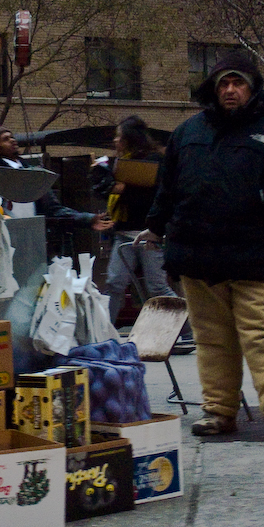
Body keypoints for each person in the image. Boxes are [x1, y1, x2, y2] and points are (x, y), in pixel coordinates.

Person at [135, 53, 264, 439]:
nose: (230, 90)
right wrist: (154, 227)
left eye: (237, 83)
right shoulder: (188, 133)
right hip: (198, 258)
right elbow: (166, 188)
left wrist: (262, 195)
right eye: (223, 83)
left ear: (251, 89)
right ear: (213, 89)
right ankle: (219, 412)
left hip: (255, 258)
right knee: (212, 342)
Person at [90, 116, 194, 353]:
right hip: (123, 233)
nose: (116, 140)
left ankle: (187, 331)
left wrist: (126, 188)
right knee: (115, 283)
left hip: (150, 234)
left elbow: (157, 195)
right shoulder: (116, 165)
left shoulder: (155, 162)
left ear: (129, 139)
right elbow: (102, 187)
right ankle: (103, 335)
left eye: (119, 136)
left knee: (157, 286)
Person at [0, 125, 113, 235]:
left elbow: (53, 209)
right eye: (6, 139)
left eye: (12, 137)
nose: (12, 140)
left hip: (33, 237)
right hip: (4, 237)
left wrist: (88, 219)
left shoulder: (33, 173)